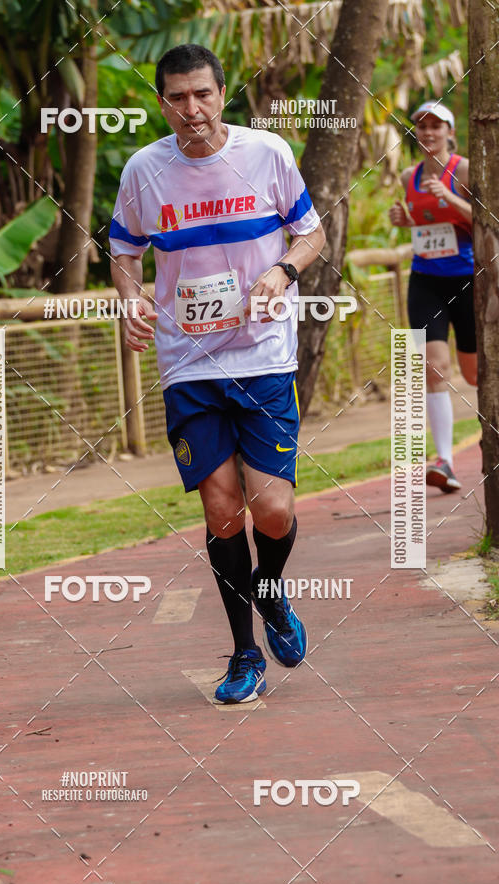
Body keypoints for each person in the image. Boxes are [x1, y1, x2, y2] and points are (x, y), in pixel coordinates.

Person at [109, 44, 326, 703]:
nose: (191, 109)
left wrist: (282, 271)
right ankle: (243, 655)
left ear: (222, 93)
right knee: (224, 510)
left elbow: (311, 233)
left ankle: (271, 595)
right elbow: (124, 250)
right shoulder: (145, 170)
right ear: (162, 103)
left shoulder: (267, 155)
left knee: (274, 509)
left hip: (262, 358)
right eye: (177, 97)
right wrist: (130, 297)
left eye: (201, 94)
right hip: (188, 365)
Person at [389, 100, 476, 493]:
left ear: (449, 132)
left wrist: (449, 195)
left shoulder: (466, 168)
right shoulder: (409, 175)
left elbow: (483, 218)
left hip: (468, 280)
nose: (428, 133)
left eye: (435, 126)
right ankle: (445, 461)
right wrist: (405, 220)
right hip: (425, 279)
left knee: (476, 373)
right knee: (434, 368)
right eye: (421, 127)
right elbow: (423, 224)